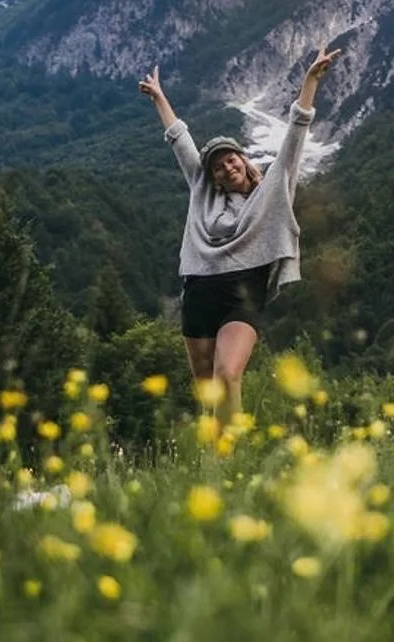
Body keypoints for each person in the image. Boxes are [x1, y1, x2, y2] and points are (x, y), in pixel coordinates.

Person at [138, 41, 342, 424]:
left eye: (230, 159)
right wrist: (159, 98)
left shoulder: (273, 189)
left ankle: (232, 450)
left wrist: (310, 82)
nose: (226, 168)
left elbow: (296, 133)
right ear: (212, 176)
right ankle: (214, 456)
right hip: (199, 291)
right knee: (207, 393)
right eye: (217, 167)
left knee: (228, 376)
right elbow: (180, 141)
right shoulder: (204, 191)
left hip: (243, 292)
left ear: (243, 160)